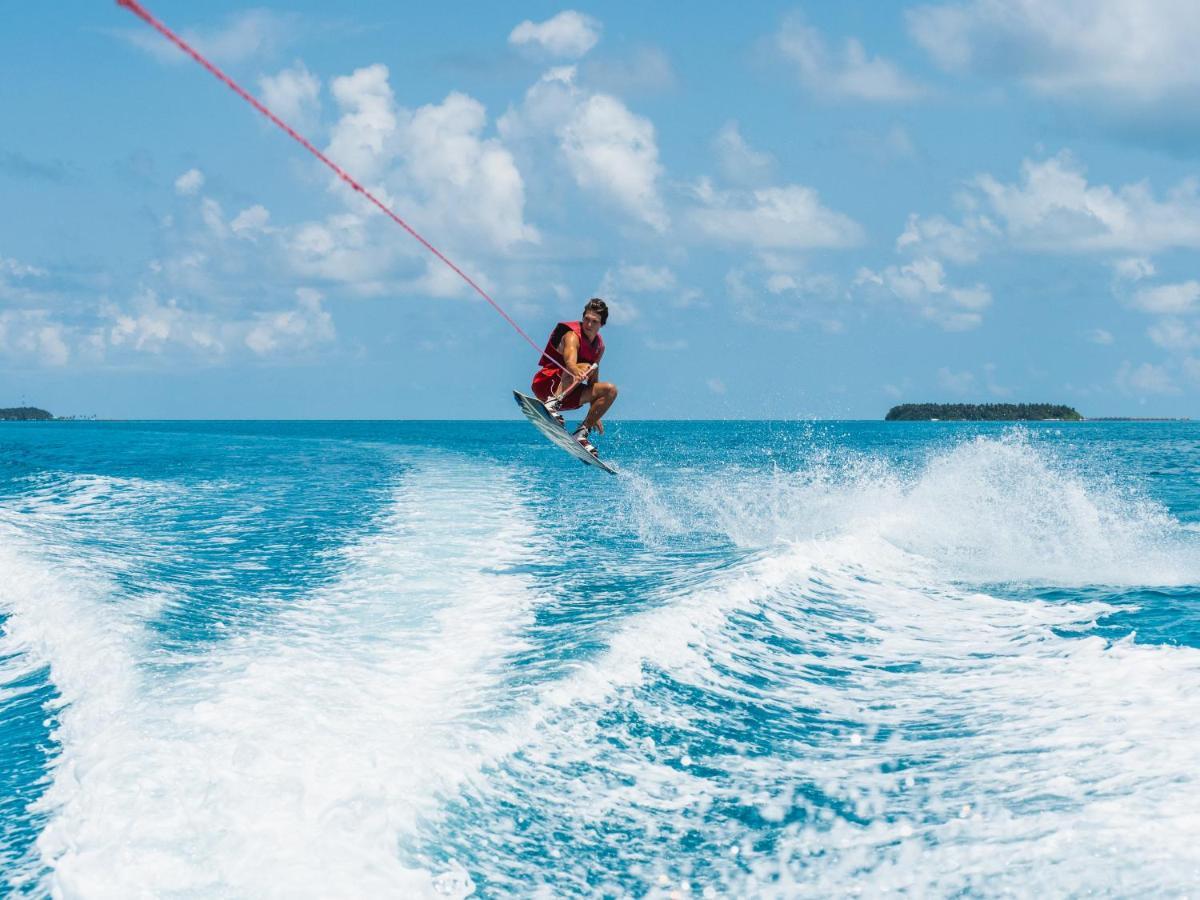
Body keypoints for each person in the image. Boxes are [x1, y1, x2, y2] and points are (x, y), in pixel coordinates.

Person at [531, 298, 618, 455]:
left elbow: (593, 380)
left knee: (610, 390)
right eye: (586, 319)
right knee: (584, 367)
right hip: (547, 385)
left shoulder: (600, 346)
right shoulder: (572, 336)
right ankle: (551, 404)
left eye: (594, 322)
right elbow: (570, 361)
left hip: (570, 394)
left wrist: (594, 412)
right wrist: (575, 369)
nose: (589, 325)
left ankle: (581, 434)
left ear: (602, 325)